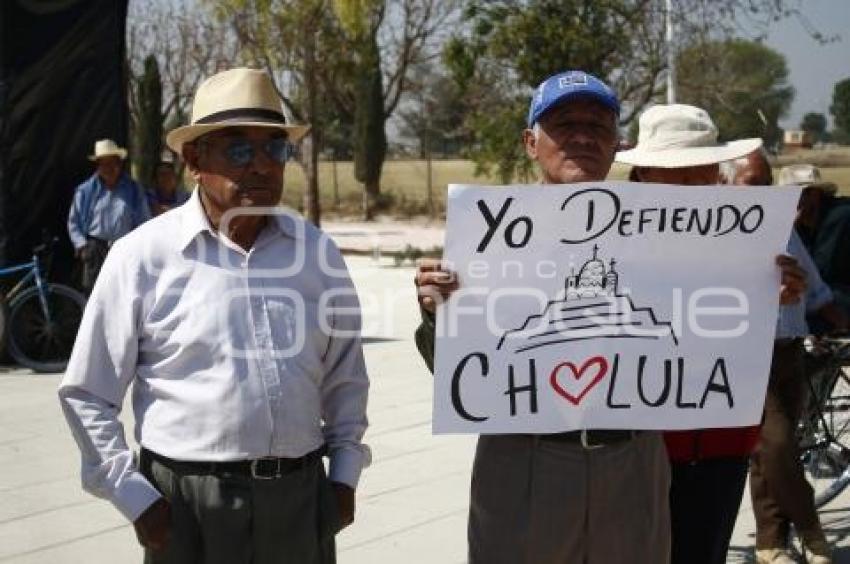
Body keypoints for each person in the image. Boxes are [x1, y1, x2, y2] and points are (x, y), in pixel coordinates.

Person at [415, 71, 802, 564]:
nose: (581, 135)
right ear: (530, 142)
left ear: (617, 144)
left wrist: (766, 291)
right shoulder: (487, 236)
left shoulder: (665, 233)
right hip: (524, 459)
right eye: (563, 123)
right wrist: (436, 314)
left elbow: (707, 338)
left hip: (634, 460)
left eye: (597, 125)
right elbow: (455, 375)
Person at [58, 68, 370, 564]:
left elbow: (345, 377)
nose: (262, 166)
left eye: (275, 148)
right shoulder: (142, 256)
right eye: (240, 150)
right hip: (186, 507)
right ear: (193, 160)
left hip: (300, 500)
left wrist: (344, 474)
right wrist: (135, 498)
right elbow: (87, 392)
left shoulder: (317, 255)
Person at [616, 104, 807, 564]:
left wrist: (777, 296)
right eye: (675, 172)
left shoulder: (751, 236)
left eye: (701, 170)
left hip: (723, 440)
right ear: (644, 173)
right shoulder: (605, 237)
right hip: (636, 447)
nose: (690, 183)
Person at [728, 151, 847, 564]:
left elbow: (815, 287)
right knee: (775, 443)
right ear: (727, 185)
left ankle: (770, 541)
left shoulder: (779, 226)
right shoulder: (719, 233)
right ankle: (812, 532)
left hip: (789, 348)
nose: (760, 193)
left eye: (765, 184)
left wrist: (838, 321)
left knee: (767, 451)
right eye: (751, 184)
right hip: (749, 350)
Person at [67, 138, 151, 292]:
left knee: (125, 291)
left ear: (119, 164)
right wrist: (82, 246)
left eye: (113, 163)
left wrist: (140, 247)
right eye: (104, 164)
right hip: (95, 249)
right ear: (98, 166)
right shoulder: (85, 191)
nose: (109, 168)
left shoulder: (133, 189)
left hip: (125, 247)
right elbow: (74, 222)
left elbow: (144, 220)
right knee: (94, 295)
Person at [778, 164, 850, 321]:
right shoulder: (806, 223)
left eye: (794, 195)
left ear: (815, 195)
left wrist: (790, 230)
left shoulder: (840, 217)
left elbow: (818, 273)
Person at [146, 150, 189, 216]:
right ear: (155, 179)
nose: (166, 178)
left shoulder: (185, 197)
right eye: (162, 174)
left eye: (169, 174)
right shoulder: (148, 196)